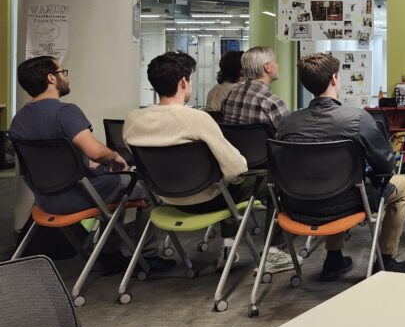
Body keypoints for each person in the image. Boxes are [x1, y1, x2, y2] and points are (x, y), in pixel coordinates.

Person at [9, 56, 170, 273]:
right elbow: (95, 151)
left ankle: (110, 252)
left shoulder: (18, 120)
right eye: (62, 72)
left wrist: (84, 164)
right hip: (77, 195)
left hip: (44, 200)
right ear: (51, 78)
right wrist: (114, 156)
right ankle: (146, 256)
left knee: (116, 186)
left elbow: (42, 163)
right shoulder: (65, 112)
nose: (66, 76)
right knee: (147, 192)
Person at [276, 53, 405, 279]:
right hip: (346, 202)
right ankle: (385, 260)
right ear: (334, 79)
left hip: (296, 204)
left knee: (329, 181)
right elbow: (386, 164)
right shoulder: (357, 118)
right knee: (403, 184)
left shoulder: (287, 122)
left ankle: (334, 259)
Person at [122, 52, 250, 264]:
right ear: (184, 81)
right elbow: (236, 169)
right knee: (257, 181)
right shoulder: (197, 118)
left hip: (164, 199)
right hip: (208, 199)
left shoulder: (133, 119)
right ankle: (239, 248)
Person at [222, 46, 290, 128]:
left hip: (233, 141)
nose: (278, 66)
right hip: (263, 141)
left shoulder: (231, 94)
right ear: (267, 67)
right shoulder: (272, 102)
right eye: (275, 62)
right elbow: (290, 134)